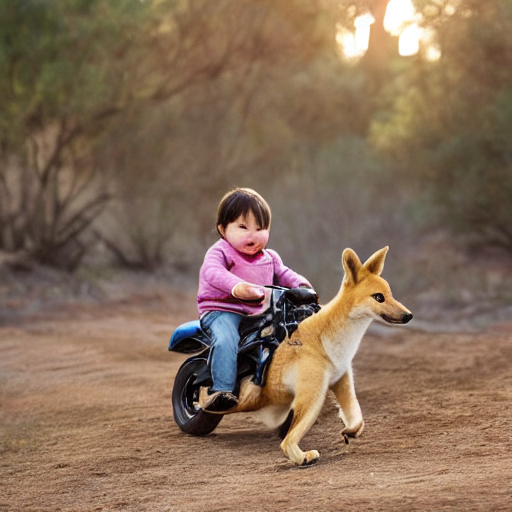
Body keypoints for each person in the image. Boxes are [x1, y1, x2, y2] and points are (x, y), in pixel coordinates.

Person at [197, 188, 312, 412]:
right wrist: (237, 287)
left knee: (290, 333)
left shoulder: (270, 257)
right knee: (226, 338)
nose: (253, 234)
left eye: (260, 228)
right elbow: (212, 271)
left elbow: (286, 274)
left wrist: (302, 286)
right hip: (222, 310)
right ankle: (221, 390)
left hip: (260, 312)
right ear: (223, 229)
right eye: (243, 227)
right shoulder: (221, 251)